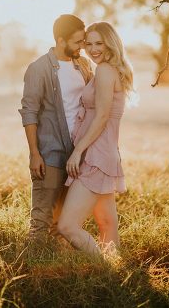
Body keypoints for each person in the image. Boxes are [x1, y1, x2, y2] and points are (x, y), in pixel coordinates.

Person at [57, 21, 134, 256]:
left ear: (111, 43)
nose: (93, 49)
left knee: (67, 226)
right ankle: (116, 276)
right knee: (107, 223)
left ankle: (103, 270)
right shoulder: (107, 70)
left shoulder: (105, 70)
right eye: (88, 44)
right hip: (105, 152)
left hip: (96, 155)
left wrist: (78, 151)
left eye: (99, 43)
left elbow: (101, 117)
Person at [19, 14, 92, 245]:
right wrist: (34, 154)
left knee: (64, 221)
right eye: (77, 42)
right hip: (50, 152)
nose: (82, 47)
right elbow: (29, 111)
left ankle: (58, 267)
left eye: (84, 41)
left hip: (77, 153)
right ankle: (34, 270)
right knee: (41, 220)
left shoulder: (83, 65)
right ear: (61, 41)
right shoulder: (39, 68)